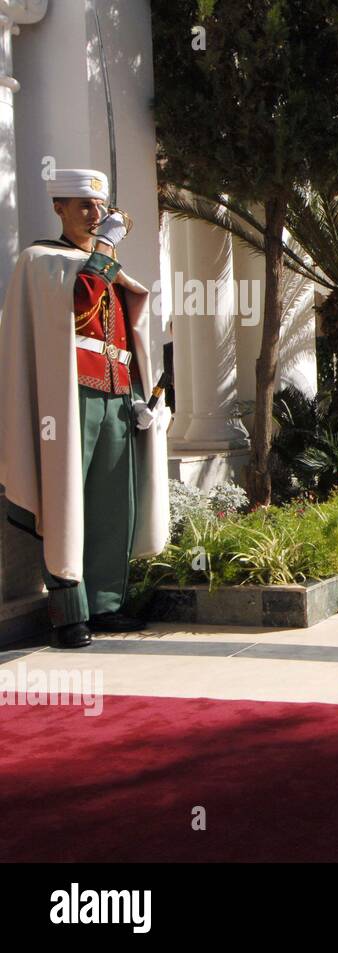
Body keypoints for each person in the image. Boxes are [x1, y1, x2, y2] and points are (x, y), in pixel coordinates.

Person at [0, 168, 170, 648]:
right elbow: (80, 305)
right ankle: (68, 615)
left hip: (116, 395)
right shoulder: (42, 261)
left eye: (99, 207)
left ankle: (106, 605)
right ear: (58, 208)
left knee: (112, 506)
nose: (94, 215)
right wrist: (104, 251)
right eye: (82, 206)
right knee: (64, 503)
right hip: (69, 398)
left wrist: (140, 396)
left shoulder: (102, 264)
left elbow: (123, 335)